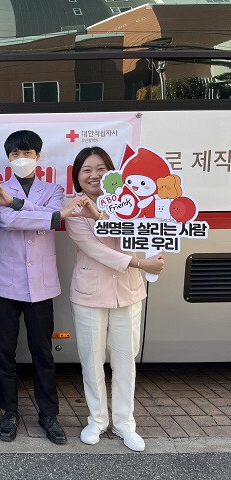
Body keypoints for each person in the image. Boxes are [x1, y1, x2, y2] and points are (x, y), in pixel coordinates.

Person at [0, 130, 87, 445]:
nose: (21, 159)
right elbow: (9, 222)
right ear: (8, 158)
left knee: (43, 352)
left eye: (27, 153)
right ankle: (9, 412)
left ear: (38, 156)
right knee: (5, 353)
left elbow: (53, 219)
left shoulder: (54, 189)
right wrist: (52, 215)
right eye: (15, 154)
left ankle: (49, 414)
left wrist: (21, 205)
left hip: (41, 284)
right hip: (5, 283)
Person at [65, 146, 164, 452]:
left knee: (125, 361)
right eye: (86, 170)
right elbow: (95, 249)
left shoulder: (132, 203)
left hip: (127, 292)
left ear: (113, 174)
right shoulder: (74, 208)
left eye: (101, 169)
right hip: (90, 294)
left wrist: (153, 254)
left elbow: (135, 232)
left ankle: (124, 423)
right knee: (91, 361)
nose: (94, 175)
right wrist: (141, 263)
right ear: (77, 177)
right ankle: (97, 420)